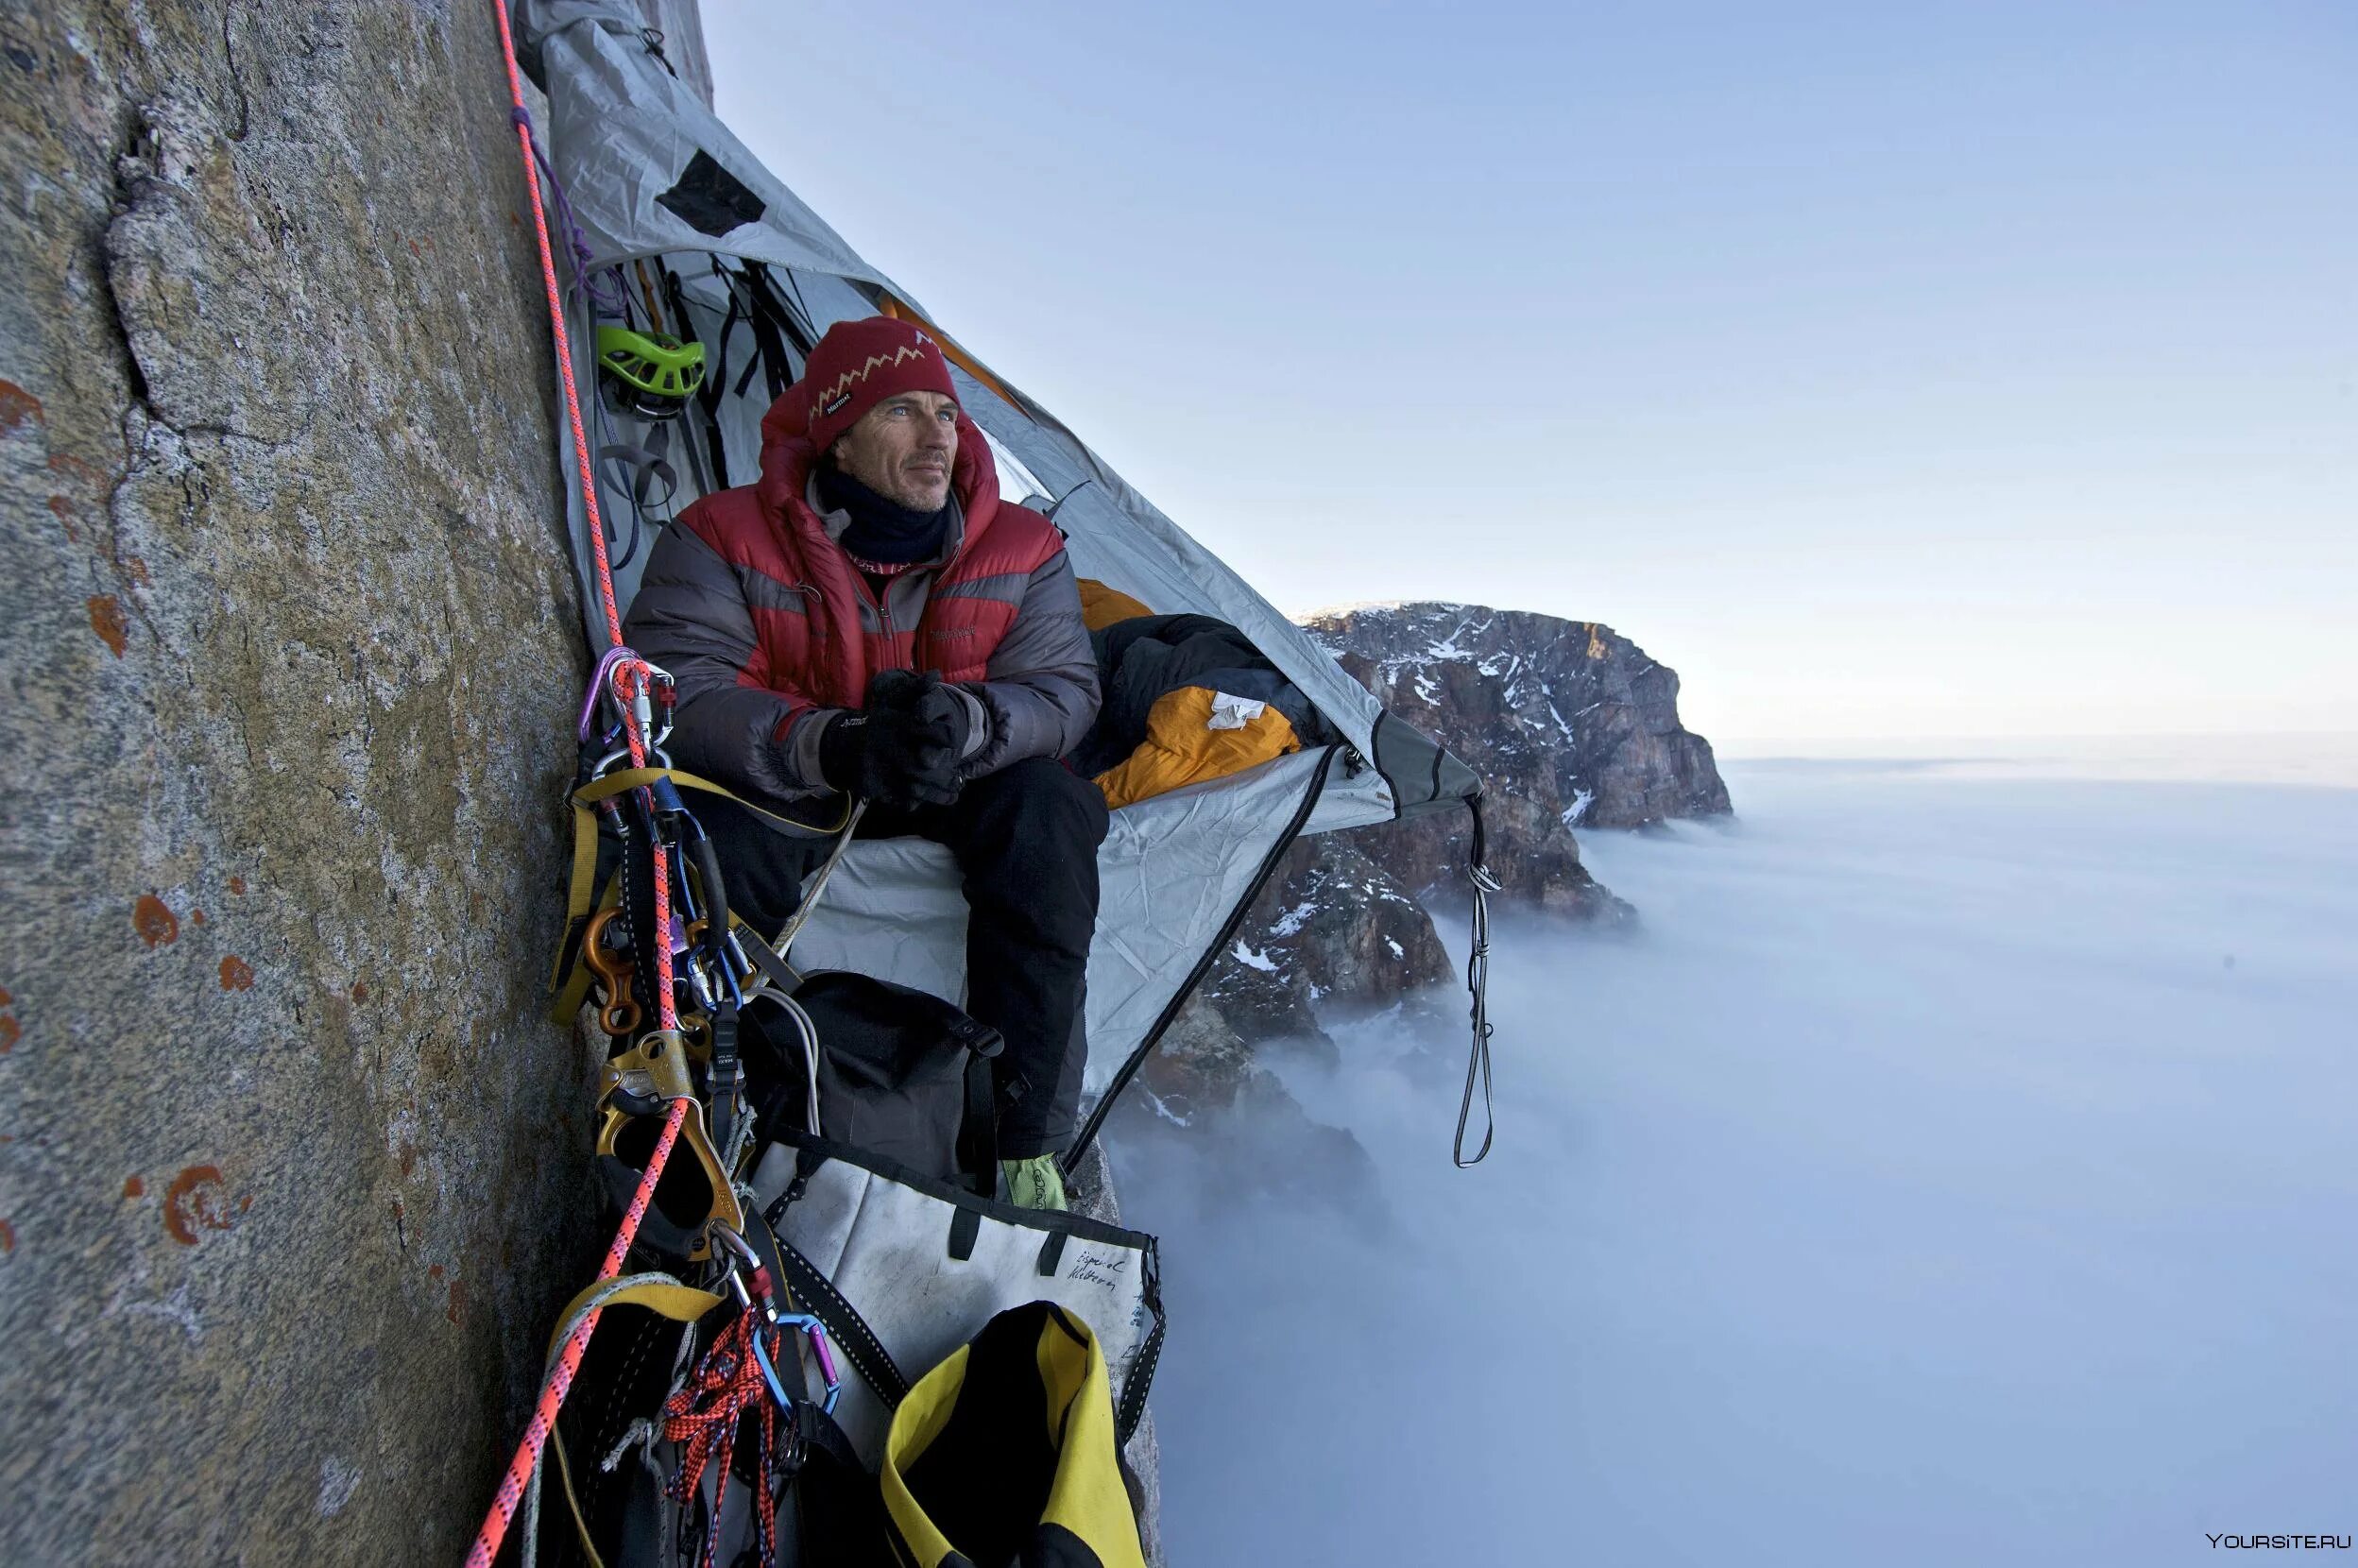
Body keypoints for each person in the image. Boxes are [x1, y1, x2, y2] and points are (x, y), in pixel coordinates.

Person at [624, 315, 1106, 1208]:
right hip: (805, 777)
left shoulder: (1024, 550)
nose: (937, 438)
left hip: (957, 773)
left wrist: (962, 724)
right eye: (902, 413)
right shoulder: (722, 535)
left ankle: (1023, 1145)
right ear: (837, 436)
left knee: (1049, 812)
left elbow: (1064, 690)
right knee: (702, 836)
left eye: (947, 416)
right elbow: (679, 689)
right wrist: (833, 743)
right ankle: (717, 1110)